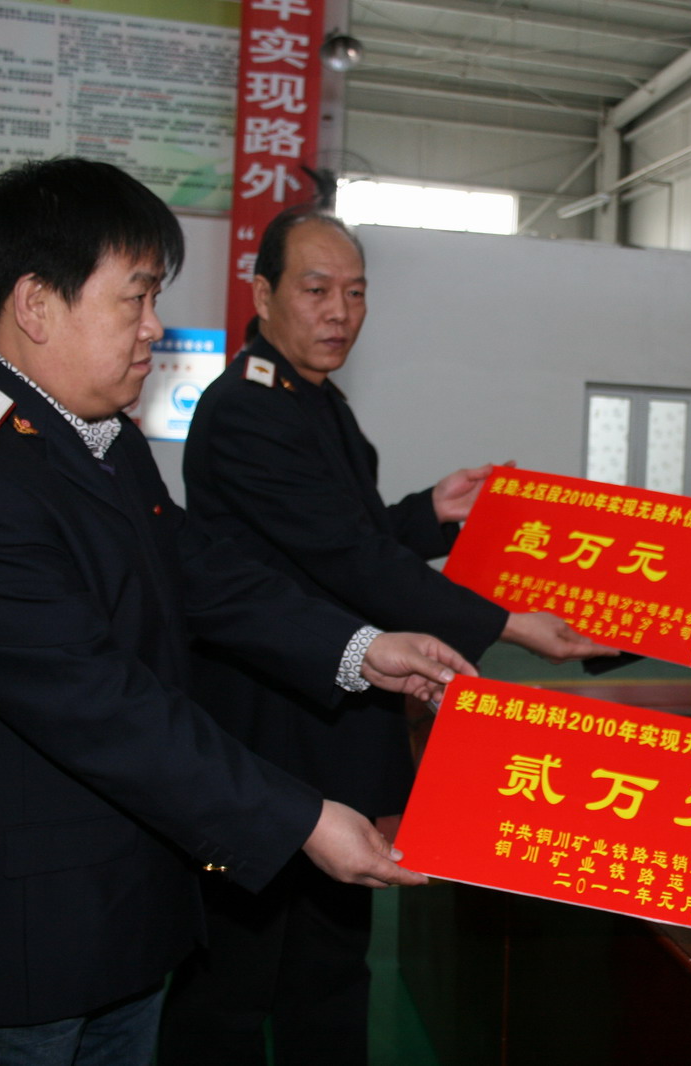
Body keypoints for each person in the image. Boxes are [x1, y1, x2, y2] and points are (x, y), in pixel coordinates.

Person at [0, 158, 471, 1066]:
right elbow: (98, 703)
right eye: (135, 299)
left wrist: (359, 648)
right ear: (36, 303)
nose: (153, 328)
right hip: (7, 952)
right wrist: (299, 818)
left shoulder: (90, 433)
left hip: (119, 921)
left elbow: (197, 568)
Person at [159, 204, 612, 1064]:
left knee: (330, 962)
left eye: (356, 292)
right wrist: (507, 622)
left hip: (332, 722)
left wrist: (430, 512)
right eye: (316, 290)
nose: (340, 312)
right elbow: (343, 556)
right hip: (267, 730)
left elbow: (342, 537)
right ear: (263, 294)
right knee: (235, 975)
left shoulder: (316, 401)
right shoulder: (247, 408)